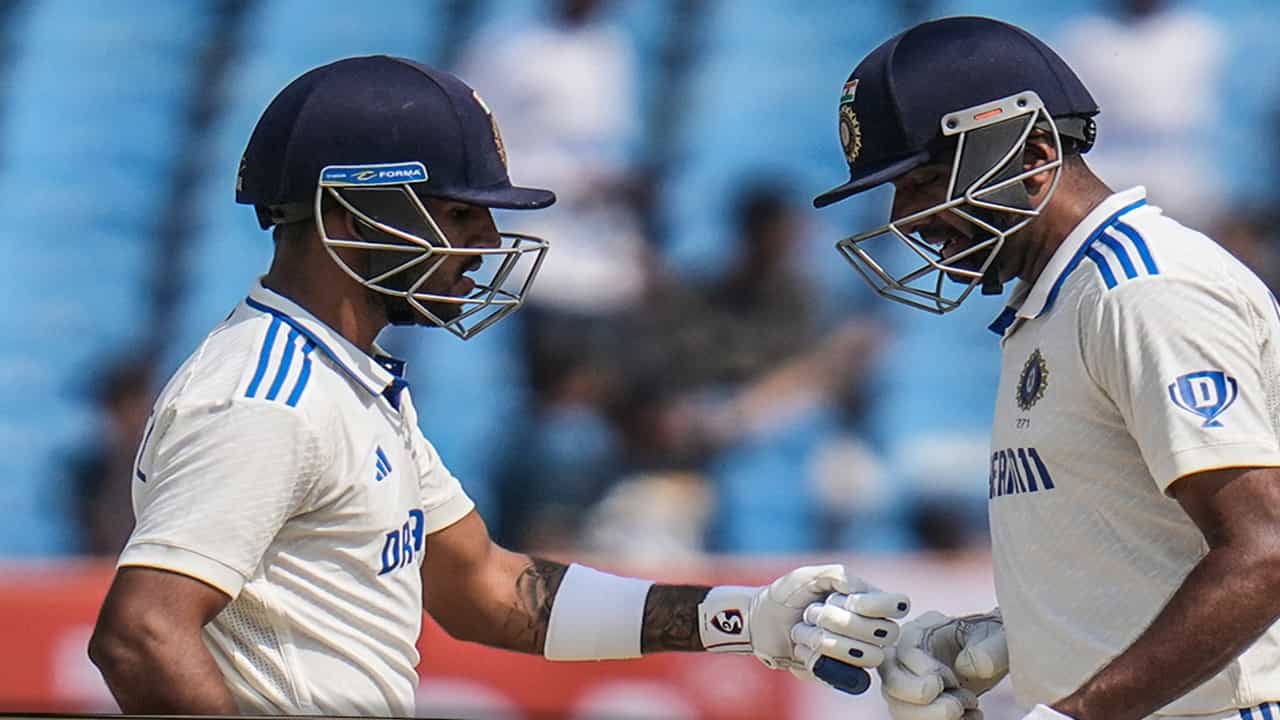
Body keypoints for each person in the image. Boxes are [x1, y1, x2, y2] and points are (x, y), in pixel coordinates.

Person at [85, 56, 907, 715]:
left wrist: (747, 618)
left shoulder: (346, 381)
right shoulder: (266, 396)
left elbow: (487, 588)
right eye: (457, 214)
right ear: (346, 218)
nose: (485, 243)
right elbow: (143, 633)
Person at [806, 16, 1280, 720]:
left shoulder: (1141, 291)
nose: (908, 217)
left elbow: (1264, 552)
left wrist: (1077, 714)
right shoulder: (1059, 298)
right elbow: (1136, 544)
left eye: (926, 181)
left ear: (1032, 156)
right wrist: (1014, 633)